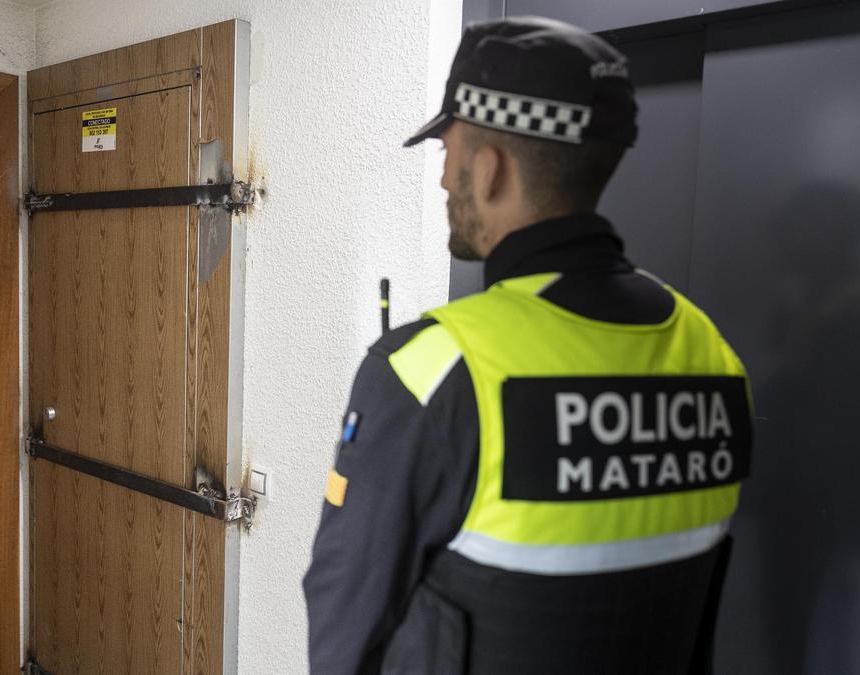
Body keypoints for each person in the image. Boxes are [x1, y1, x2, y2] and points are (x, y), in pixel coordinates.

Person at [304, 16, 753, 675]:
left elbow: (344, 623)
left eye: (447, 157)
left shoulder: (435, 371)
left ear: (487, 171)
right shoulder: (711, 353)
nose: (442, 183)